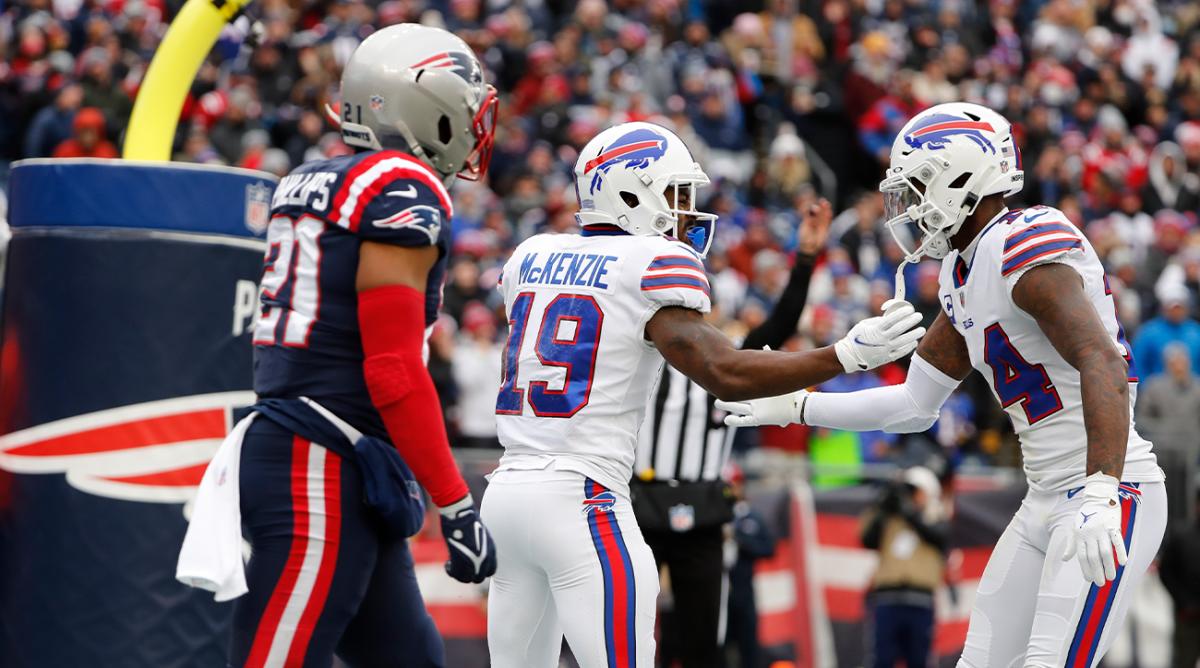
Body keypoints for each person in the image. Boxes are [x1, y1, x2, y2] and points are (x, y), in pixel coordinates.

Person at [720, 102, 1167, 668]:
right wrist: (798, 406)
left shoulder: (1023, 240)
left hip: (1109, 490)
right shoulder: (963, 272)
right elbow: (913, 405)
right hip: (1044, 497)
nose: (909, 207)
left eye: (919, 186)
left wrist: (1102, 490)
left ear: (963, 177)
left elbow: (1099, 360)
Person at [481, 120, 926, 668]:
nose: (686, 210)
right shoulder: (647, 265)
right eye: (674, 193)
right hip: (583, 499)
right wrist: (846, 356)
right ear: (629, 194)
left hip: (506, 491)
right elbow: (727, 371)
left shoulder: (531, 256)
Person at [182, 24, 501, 666]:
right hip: (319, 461)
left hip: (335, 455)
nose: (473, 125)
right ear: (420, 104)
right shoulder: (399, 189)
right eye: (463, 108)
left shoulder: (310, 178)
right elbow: (390, 370)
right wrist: (456, 502)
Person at [633, 197, 831, 668]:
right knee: (626, 631)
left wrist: (804, 260)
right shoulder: (640, 358)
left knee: (705, 637)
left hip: (703, 511)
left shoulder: (728, 365)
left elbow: (781, 325)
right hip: (637, 507)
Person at [859, 466, 948, 668]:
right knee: (882, 659)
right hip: (887, 599)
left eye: (914, 490)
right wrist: (885, 505)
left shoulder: (936, 516)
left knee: (918, 660)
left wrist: (910, 511)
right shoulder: (890, 518)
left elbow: (937, 535)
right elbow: (868, 539)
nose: (910, 496)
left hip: (920, 601)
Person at [1135, 343, 1200, 524]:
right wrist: (1169, 430)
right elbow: (1141, 420)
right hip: (1162, 456)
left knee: (1186, 501)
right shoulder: (1154, 387)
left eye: (1182, 361)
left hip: (1190, 456)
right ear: (1167, 363)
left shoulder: (1197, 388)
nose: (1179, 365)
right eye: (1174, 361)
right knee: (1162, 500)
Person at [1159, 491, 1200, 668]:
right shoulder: (1182, 535)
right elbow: (1166, 572)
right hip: (1188, 616)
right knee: (1185, 660)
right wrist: (1184, 602)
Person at [1133, 282, 1200, 378]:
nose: (1176, 312)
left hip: (1192, 390)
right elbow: (1139, 364)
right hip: (1157, 390)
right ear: (1164, 308)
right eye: (1173, 308)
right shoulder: (1148, 333)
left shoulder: (1196, 332)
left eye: (1179, 308)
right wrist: (1146, 389)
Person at [51, 107, 119, 158]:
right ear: (77, 132)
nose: (87, 137)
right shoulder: (64, 151)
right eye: (83, 132)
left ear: (99, 133)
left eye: (91, 133)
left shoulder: (108, 152)